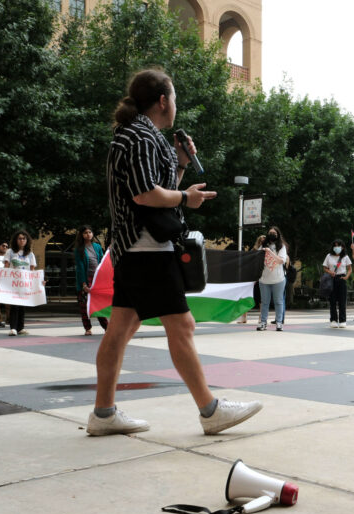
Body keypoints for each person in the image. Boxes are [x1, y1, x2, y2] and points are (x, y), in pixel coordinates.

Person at [89, 68, 261, 437]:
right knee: (181, 325)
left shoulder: (144, 135)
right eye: (176, 98)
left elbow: (156, 190)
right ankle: (210, 410)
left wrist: (180, 164)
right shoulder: (137, 136)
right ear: (164, 101)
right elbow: (145, 195)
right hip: (146, 247)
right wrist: (187, 197)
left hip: (136, 248)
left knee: (121, 329)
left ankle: (103, 414)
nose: (177, 106)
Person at [74, 225, 109, 336]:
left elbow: (102, 262)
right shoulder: (78, 249)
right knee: (84, 306)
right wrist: (84, 284)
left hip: (96, 280)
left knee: (99, 305)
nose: (88, 234)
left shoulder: (97, 247)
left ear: (92, 234)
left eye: (90, 232)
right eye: (85, 232)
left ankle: (107, 328)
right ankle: (88, 328)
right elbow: (80, 268)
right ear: (82, 235)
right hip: (85, 280)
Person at [3, 230, 36, 336]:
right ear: (16, 240)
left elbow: (32, 270)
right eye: (20, 238)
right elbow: (6, 267)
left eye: (24, 238)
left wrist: (36, 281)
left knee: (22, 306)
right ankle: (13, 328)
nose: (22, 240)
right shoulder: (10, 252)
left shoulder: (30, 254)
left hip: (25, 284)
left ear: (27, 240)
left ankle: (21, 327)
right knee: (15, 305)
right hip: (13, 283)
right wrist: (2, 279)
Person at [257, 226, 288, 332]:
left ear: (278, 235)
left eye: (274, 233)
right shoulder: (263, 246)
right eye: (270, 232)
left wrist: (270, 252)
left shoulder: (281, 247)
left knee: (278, 301)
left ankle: (279, 322)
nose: (272, 234)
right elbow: (256, 258)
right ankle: (263, 322)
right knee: (264, 302)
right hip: (264, 279)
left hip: (278, 279)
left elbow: (281, 261)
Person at [324, 239, 352, 328]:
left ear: (343, 247)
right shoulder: (329, 256)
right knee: (332, 300)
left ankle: (343, 320)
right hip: (332, 279)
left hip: (342, 278)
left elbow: (350, 268)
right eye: (335, 246)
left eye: (339, 246)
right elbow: (325, 267)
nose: (337, 248)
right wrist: (330, 272)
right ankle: (333, 320)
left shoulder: (345, 257)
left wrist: (347, 276)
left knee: (342, 301)